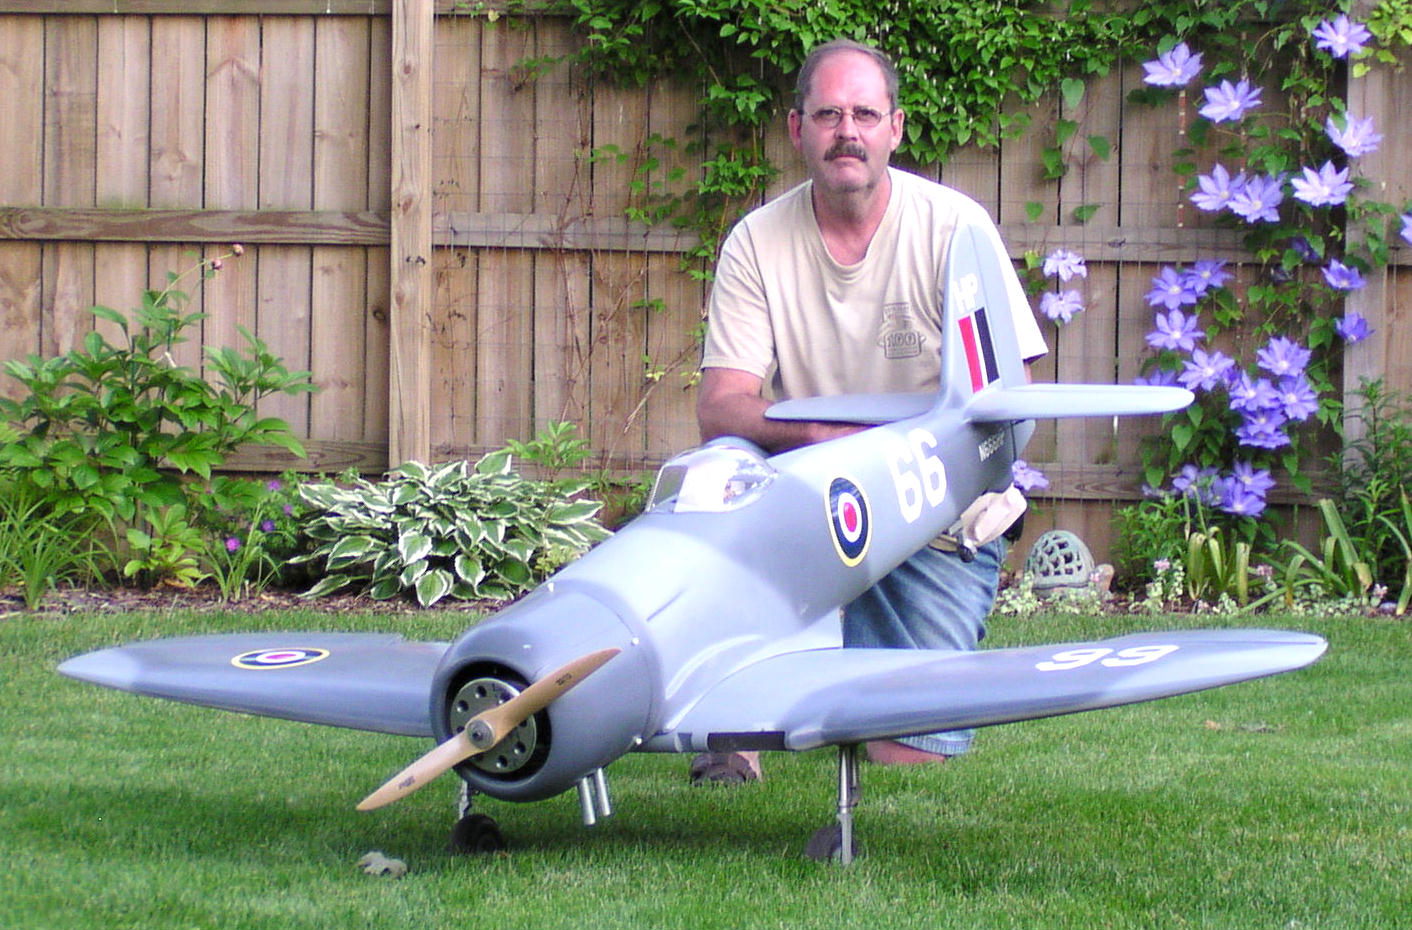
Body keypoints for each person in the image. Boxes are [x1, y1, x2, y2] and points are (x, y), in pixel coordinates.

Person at [687, 39, 1048, 785]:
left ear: (896, 128)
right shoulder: (755, 241)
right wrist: (826, 438)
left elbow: (1012, 403)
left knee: (907, 751)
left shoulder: (955, 228)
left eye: (864, 114)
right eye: (827, 114)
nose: (846, 131)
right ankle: (738, 718)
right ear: (797, 129)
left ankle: (855, 666)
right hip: (813, 504)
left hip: (933, 514)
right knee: (720, 468)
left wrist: (901, 465)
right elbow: (721, 405)